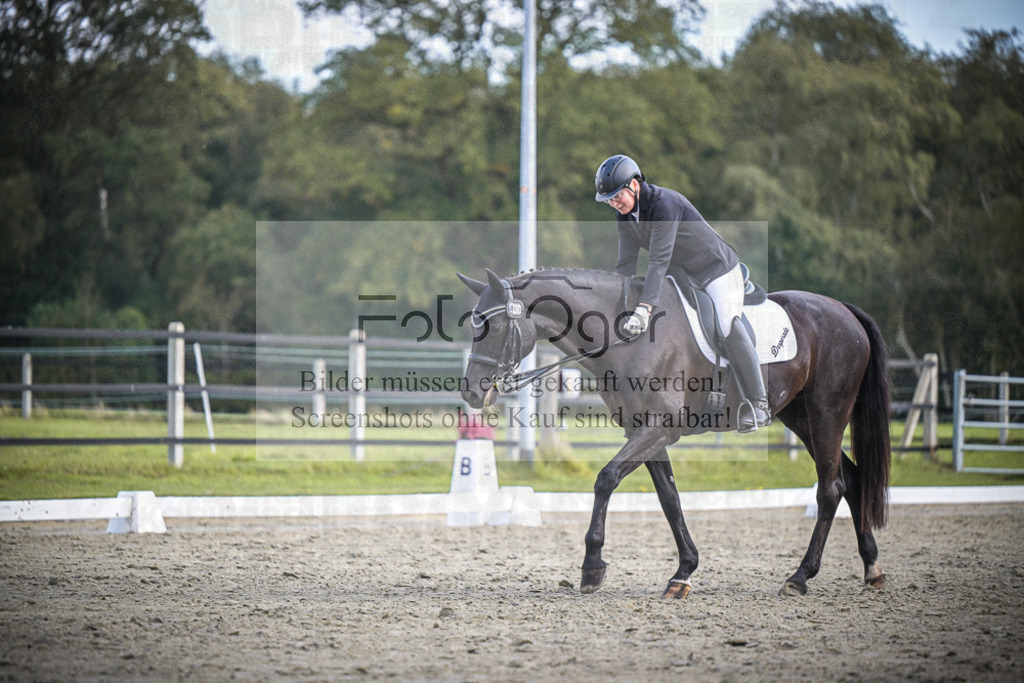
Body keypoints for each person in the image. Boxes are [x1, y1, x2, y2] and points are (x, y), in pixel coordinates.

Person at [594, 154, 770, 432]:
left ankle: (759, 404)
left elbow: (658, 261)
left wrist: (643, 308)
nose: (614, 203)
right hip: (685, 275)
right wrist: (614, 306)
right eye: (610, 200)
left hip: (715, 269)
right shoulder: (625, 216)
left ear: (635, 185)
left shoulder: (665, 204)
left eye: (617, 196)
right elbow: (625, 266)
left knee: (725, 324)